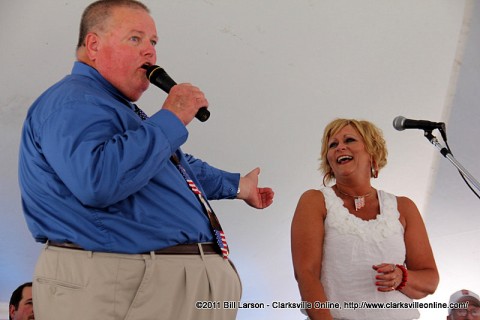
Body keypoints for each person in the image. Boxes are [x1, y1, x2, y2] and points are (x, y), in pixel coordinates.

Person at [18, 1, 274, 319]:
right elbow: (97, 180)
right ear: (93, 45)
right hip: (125, 286)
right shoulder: (73, 101)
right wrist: (172, 117)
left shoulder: (113, 109)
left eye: (153, 42)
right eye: (135, 38)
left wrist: (237, 186)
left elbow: (174, 166)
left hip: (156, 287)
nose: (150, 53)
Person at [291, 118, 439, 320]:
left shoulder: (403, 207)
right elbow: (306, 273)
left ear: (372, 153)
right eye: (333, 145)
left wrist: (402, 277)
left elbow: (429, 281)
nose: (340, 147)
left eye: (349, 140)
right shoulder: (315, 201)